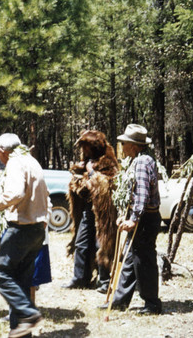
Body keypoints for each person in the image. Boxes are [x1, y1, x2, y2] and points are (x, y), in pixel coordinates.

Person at [0, 133, 48, 338]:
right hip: (37, 229)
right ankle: (21, 332)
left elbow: (15, 194)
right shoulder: (31, 161)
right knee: (22, 280)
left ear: (1, 152)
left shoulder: (15, 163)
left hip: (21, 229)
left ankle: (29, 315)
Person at [100, 124, 162, 315]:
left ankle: (152, 303)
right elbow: (132, 193)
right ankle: (120, 301)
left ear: (134, 146)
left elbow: (142, 194)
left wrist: (134, 219)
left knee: (144, 260)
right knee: (128, 258)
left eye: (125, 143)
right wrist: (124, 215)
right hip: (141, 217)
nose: (122, 147)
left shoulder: (142, 162)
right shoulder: (137, 160)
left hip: (145, 219)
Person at [63, 130, 119, 293]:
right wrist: (78, 171)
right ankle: (80, 277)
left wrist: (92, 172)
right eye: (83, 147)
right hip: (88, 208)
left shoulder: (107, 159)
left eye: (87, 147)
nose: (84, 151)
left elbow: (108, 182)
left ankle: (104, 281)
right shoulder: (87, 160)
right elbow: (80, 182)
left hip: (104, 210)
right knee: (81, 242)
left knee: (102, 244)